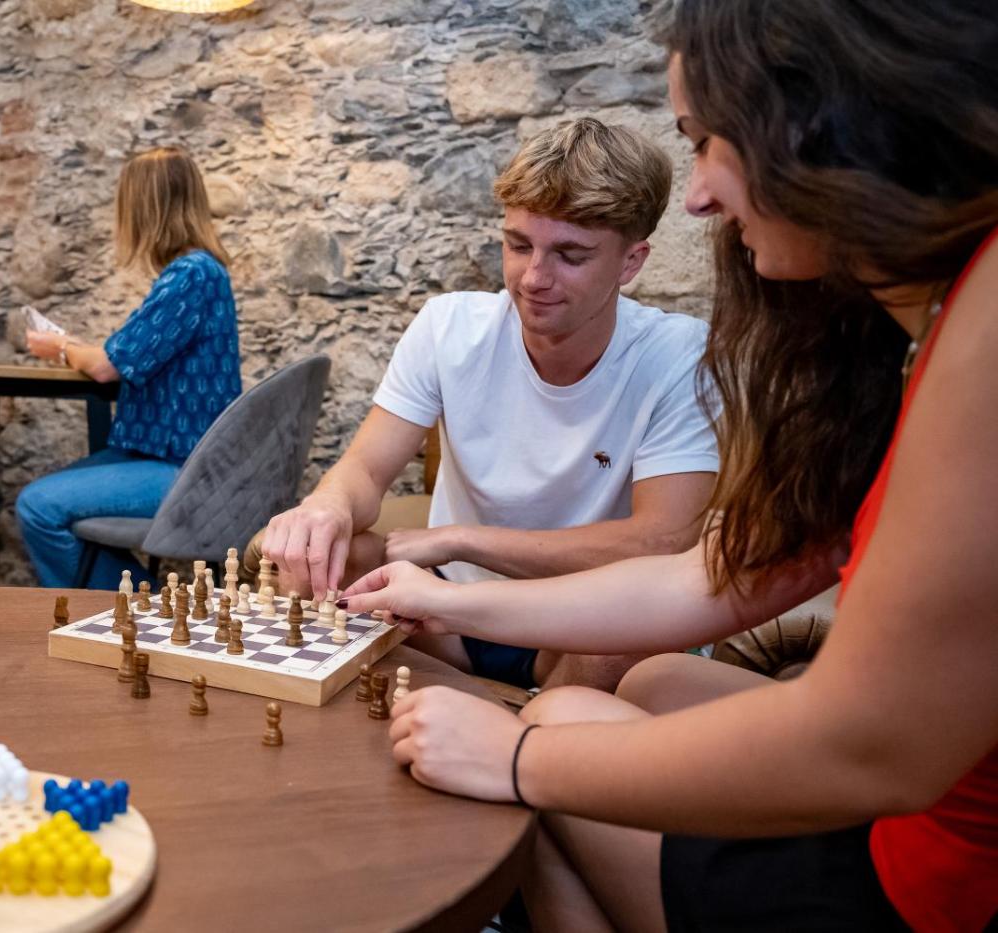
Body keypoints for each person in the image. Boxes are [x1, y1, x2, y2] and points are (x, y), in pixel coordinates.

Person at [341, 0, 998, 928]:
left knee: (551, 743)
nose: (698, 196)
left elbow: (871, 745)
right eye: (521, 245)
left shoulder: (984, 321)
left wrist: (518, 755)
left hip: (920, 889)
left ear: (823, 127)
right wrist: (450, 600)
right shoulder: (909, 332)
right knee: (649, 682)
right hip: (898, 818)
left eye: (706, 143)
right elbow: (710, 577)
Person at [262, 118, 719, 692]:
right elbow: (367, 470)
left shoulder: (679, 354)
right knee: (330, 561)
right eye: (519, 245)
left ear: (631, 262)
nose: (533, 278)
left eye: (570, 255)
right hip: (441, 614)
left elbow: (662, 541)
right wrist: (327, 504)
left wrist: (459, 538)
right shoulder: (448, 325)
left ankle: (523, 725)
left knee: (641, 637)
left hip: (578, 623)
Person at [17, 146, 241, 589]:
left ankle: (148, 610)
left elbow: (106, 366)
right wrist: (77, 348)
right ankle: (141, 606)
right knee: (59, 500)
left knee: (37, 506)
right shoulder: (199, 272)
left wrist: (60, 346)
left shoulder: (191, 274)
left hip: (186, 470)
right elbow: (125, 354)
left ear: (143, 209)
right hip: (180, 459)